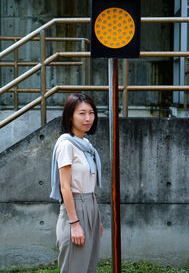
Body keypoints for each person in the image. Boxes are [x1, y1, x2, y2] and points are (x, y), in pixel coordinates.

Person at [50, 93, 103, 273]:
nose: (88, 118)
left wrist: (95, 218)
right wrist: (75, 223)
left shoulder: (85, 143)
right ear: (70, 115)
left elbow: (88, 182)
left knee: (88, 267)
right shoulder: (67, 145)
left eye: (91, 112)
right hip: (75, 209)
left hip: (91, 207)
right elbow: (65, 187)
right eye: (82, 113)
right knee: (75, 268)